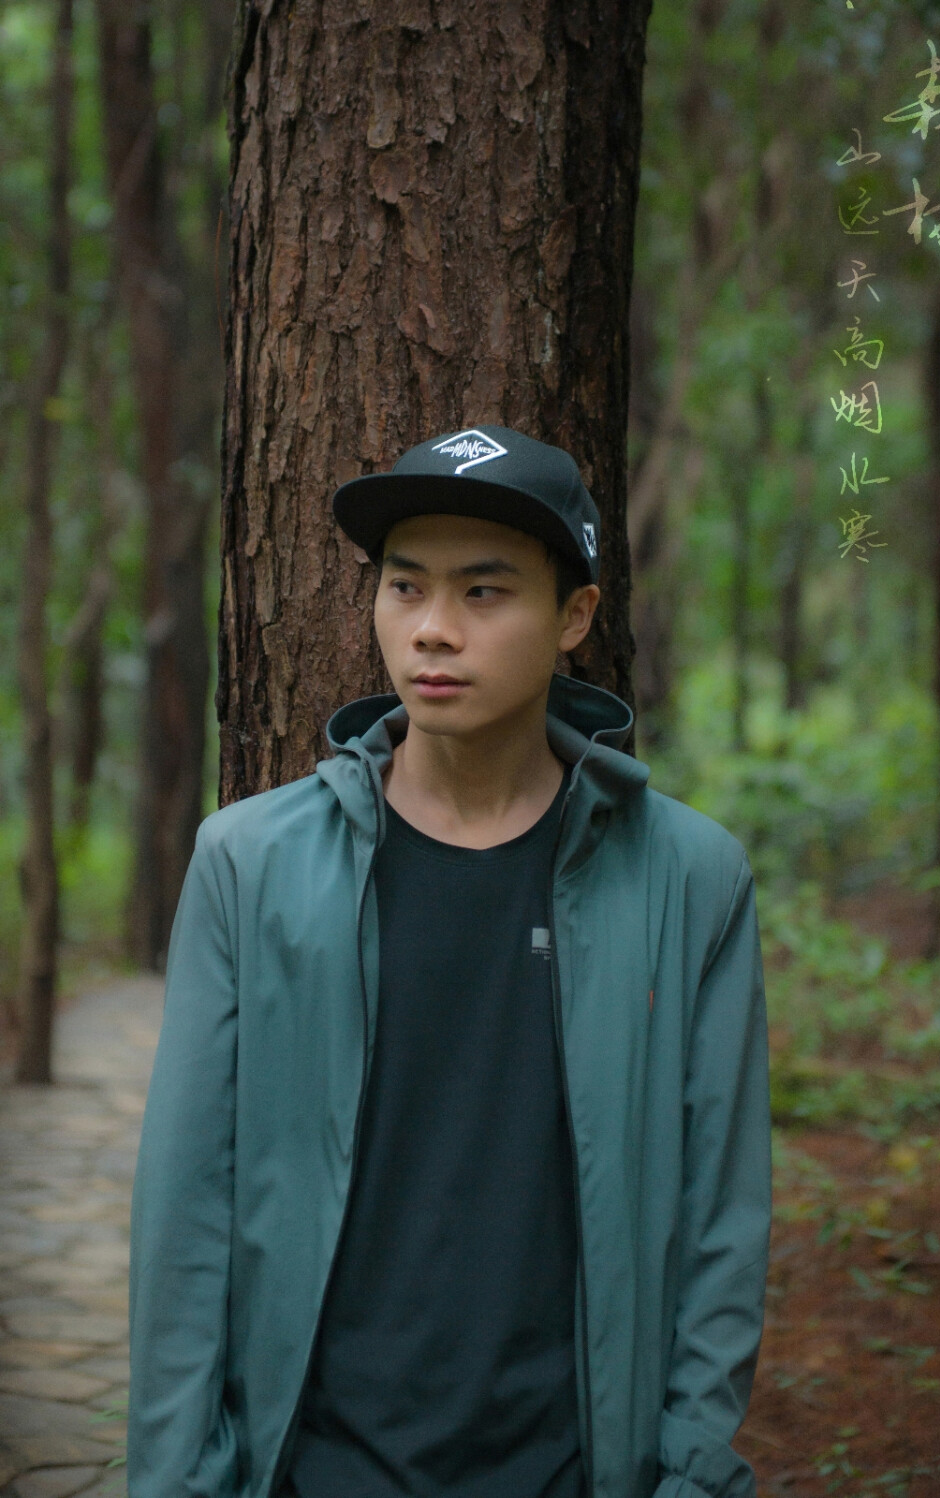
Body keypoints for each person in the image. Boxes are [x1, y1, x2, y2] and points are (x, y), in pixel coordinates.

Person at [126, 425, 772, 1498]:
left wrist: (694, 1474)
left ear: (574, 617)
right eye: (404, 586)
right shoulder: (250, 862)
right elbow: (187, 1215)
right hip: (312, 1467)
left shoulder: (689, 878)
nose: (432, 630)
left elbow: (719, 1225)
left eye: (484, 592)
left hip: (573, 1467)